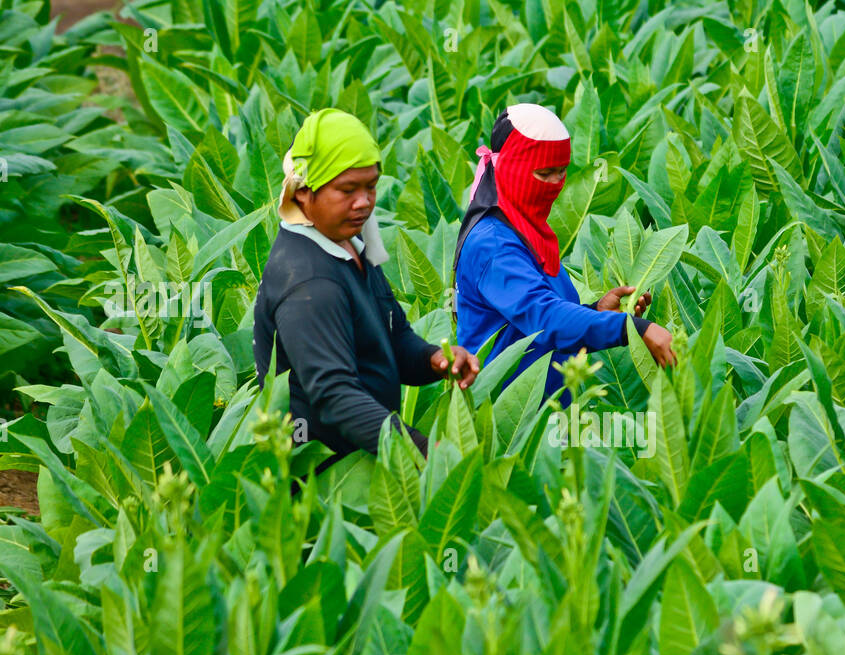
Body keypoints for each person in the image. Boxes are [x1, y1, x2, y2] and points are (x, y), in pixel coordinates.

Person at [253, 108, 479, 469]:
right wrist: (423, 452)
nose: (364, 202)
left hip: (368, 460)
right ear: (304, 193)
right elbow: (335, 395)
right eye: (347, 190)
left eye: (370, 186)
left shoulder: (347, 244)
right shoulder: (309, 282)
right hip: (326, 482)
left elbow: (392, 338)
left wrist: (434, 360)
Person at [453, 103, 676, 404]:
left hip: (549, 415)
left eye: (562, 173)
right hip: (506, 427)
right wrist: (632, 328)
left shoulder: (529, 229)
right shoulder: (491, 244)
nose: (555, 185)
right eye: (544, 174)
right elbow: (545, 318)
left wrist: (596, 311)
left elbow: (540, 325)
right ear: (511, 168)